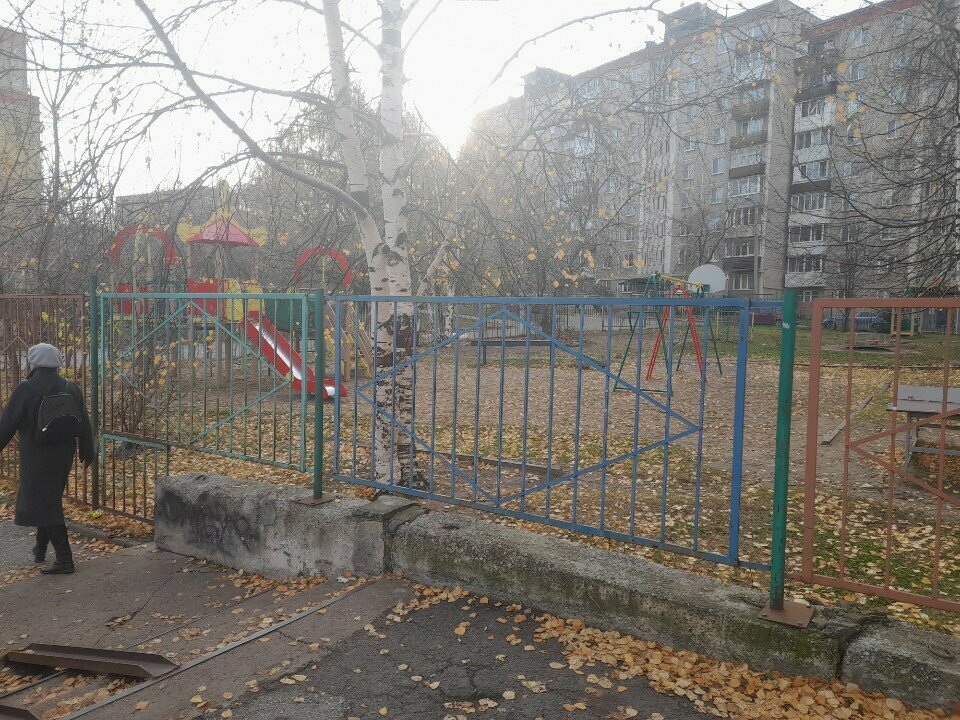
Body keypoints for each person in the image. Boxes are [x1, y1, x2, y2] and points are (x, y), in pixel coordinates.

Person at [0, 343, 94, 574]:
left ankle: (64, 560)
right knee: (49, 499)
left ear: (34, 362)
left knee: (45, 501)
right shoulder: (70, 386)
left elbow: (7, 423)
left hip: (37, 455)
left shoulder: (27, 388)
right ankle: (40, 548)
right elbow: (84, 421)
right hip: (63, 455)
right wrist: (87, 449)